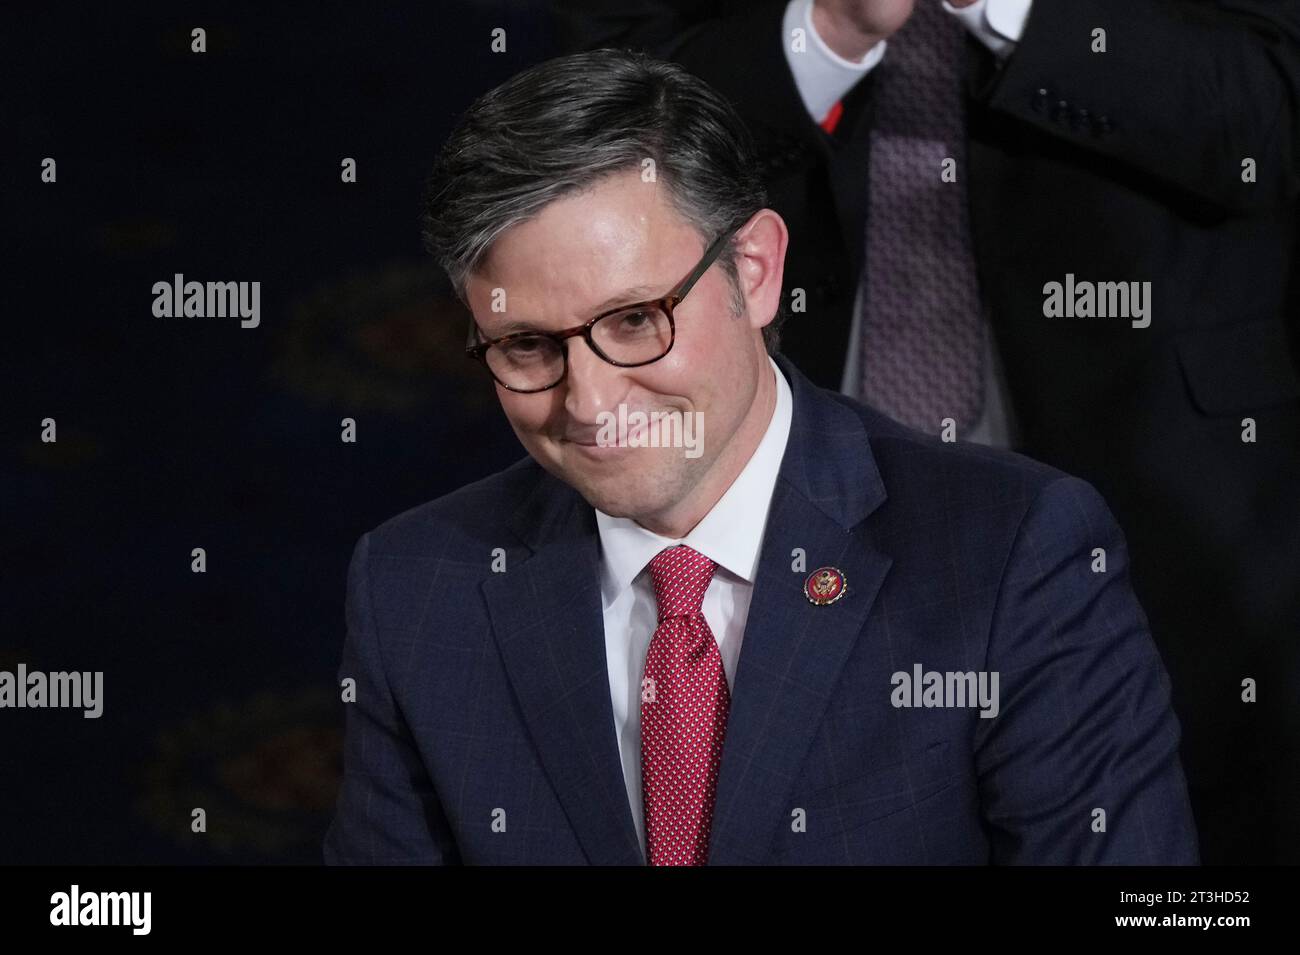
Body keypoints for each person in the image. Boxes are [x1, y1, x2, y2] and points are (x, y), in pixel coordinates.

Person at [323, 49, 1197, 865]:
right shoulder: (416, 587)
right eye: (525, 347)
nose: (589, 403)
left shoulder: (1011, 553)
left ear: (756, 269)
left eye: (634, 321)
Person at [551, 0, 1300, 864]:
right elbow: (600, 125)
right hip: (774, 436)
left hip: (1172, 457)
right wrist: (825, 31)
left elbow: (1272, 112)